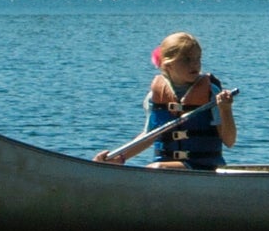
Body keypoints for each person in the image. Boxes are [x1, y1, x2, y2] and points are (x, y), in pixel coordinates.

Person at [95, 32, 237, 169]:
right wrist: (119, 158)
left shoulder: (211, 92)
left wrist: (225, 109)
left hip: (204, 167)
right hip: (166, 167)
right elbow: (148, 136)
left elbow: (229, 141)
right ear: (168, 64)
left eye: (197, 58)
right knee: (157, 168)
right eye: (186, 59)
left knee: (156, 168)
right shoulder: (154, 96)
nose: (195, 64)